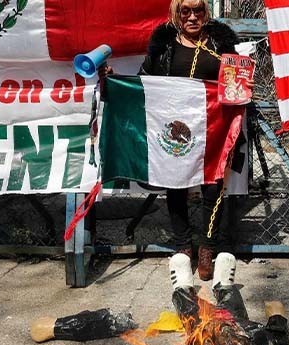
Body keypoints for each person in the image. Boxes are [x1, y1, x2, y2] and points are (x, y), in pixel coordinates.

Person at [102, 0, 239, 280]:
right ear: (176, 13)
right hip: (174, 131)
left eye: (198, 10)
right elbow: (144, 84)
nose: (192, 16)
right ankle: (183, 246)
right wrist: (117, 82)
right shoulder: (163, 45)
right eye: (185, 11)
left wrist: (241, 85)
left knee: (213, 188)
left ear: (206, 12)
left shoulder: (220, 43)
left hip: (212, 130)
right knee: (175, 187)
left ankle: (207, 248)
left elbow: (235, 83)